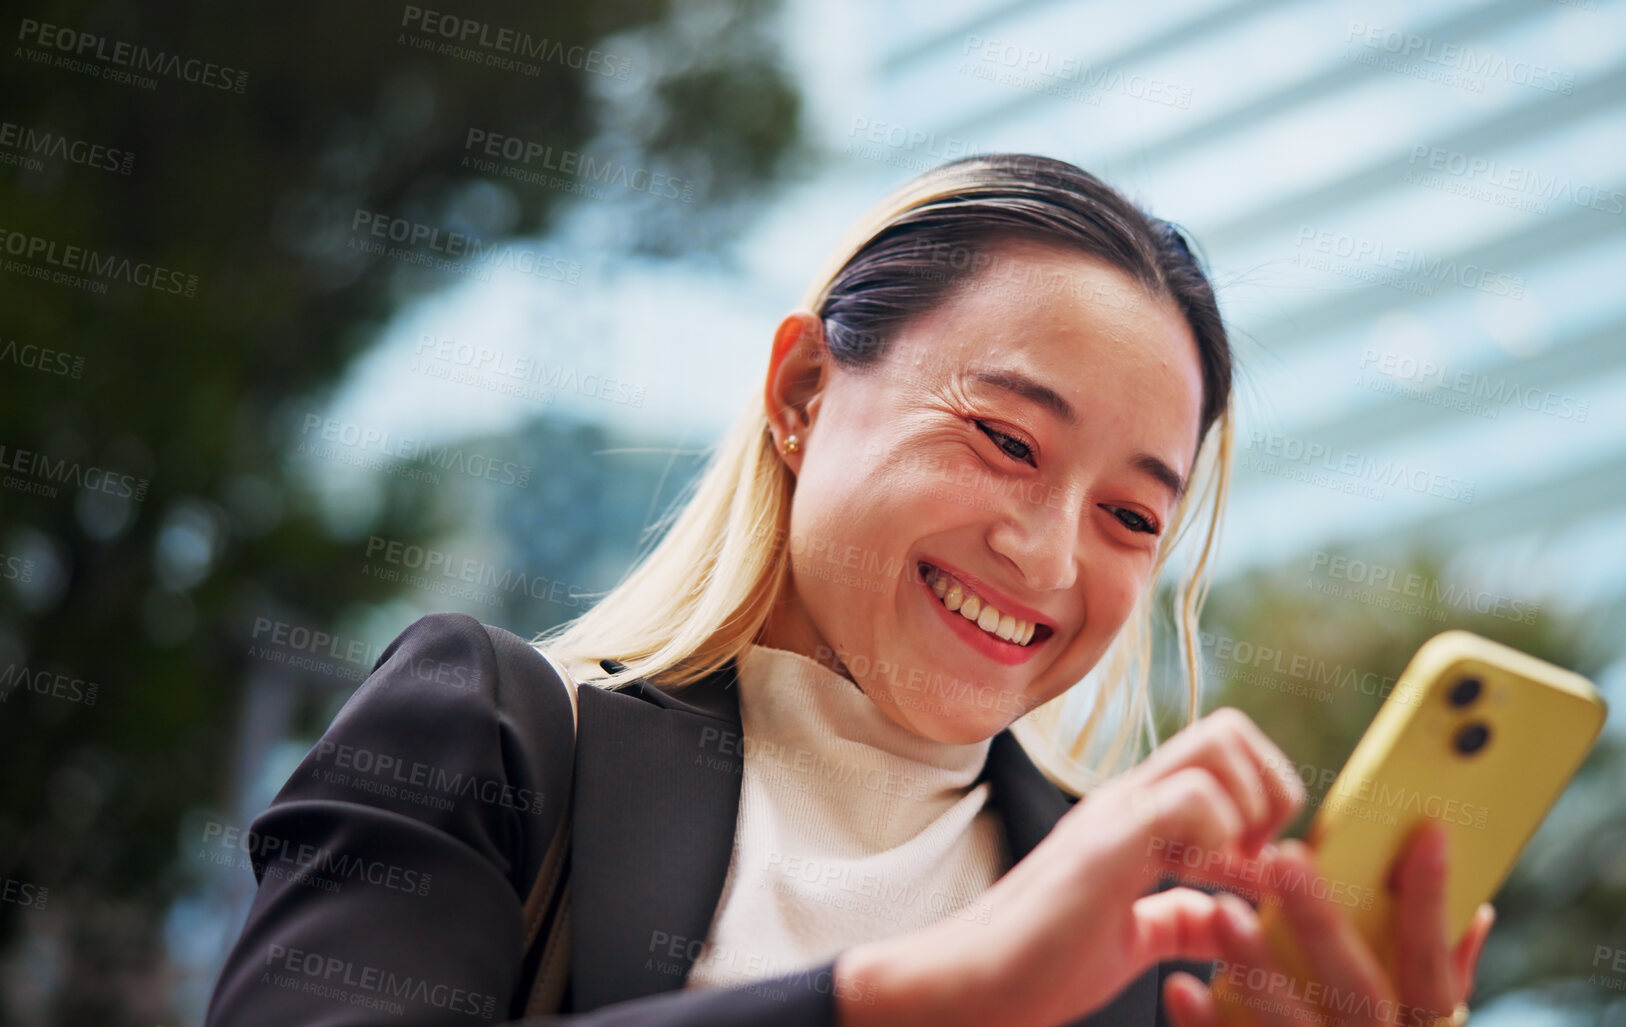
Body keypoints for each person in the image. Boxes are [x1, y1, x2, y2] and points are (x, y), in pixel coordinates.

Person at [206, 153, 1492, 1026]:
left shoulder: (1165, 957)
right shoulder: (494, 730)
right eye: (1005, 439)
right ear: (802, 393)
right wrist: (912, 995)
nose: (1047, 558)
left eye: (1131, 516)